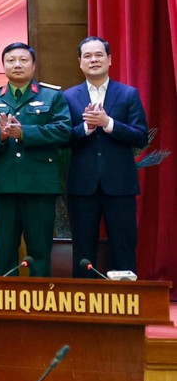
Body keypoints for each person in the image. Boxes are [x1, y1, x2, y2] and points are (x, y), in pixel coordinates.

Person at [0, 43, 71, 279]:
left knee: (40, 253)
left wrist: (25, 133)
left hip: (39, 186)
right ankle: (5, 300)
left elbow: (64, 132)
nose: (17, 65)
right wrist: (0, 137)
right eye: (11, 60)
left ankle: (39, 300)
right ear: (3, 66)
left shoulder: (52, 96)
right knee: (5, 253)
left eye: (23, 60)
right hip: (3, 186)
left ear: (33, 65)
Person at [64, 36, 149, 276]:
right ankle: (84, 298)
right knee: (83, 251)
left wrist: (108, 123)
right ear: (80, 62)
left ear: (109, 59)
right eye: (87, 56)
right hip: (82, 186)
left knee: (123, 247)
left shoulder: (128, 94)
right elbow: (62, 138)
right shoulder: (68, 97)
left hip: (120, 185)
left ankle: (126, 297)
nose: (94, 60)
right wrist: (86, 128)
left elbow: (141, 137)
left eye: (99, 54)